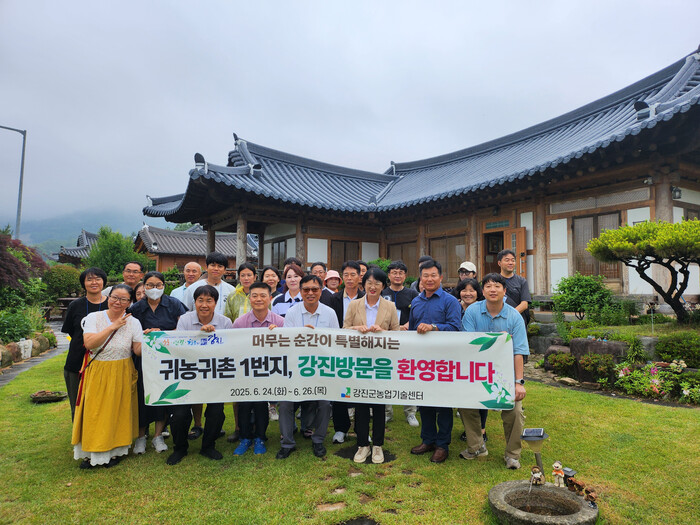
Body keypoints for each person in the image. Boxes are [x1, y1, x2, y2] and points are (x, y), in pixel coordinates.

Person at [460, 273, 528, 469]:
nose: (492, 290)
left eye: (497, 286)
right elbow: (469, 343)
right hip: (478, 371)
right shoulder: (472, 312)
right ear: (483, 291)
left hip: (505, 374)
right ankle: (476, 447)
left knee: (515, 411)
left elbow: (519, 351)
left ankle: (512, 454)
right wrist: (496, 338)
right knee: (465, 404)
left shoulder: (514, 316)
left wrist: (518, 383)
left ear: (504, 291)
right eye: (488, 286)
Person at [72, 284, 142, 469]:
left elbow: (137, 350)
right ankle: (92, 453)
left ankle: (114, 452)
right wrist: (113, 327)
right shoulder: (93, 318)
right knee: (95, 412)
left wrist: (152, 340)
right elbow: (89, 343)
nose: (118, 302)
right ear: (108, 297)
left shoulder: (134, 322)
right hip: (98, 370)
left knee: (117, 412)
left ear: (130, 302)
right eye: (114, 297)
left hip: (122, 370)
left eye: (124, 299)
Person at [167, 285, 232, 465]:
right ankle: (180, 448)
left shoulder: (225, 322)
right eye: (200, 300)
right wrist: (199, 335)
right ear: (194, 302)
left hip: (214, 374)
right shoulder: (185, 320)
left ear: (215, 303)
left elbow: (230, 349)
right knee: (179, 414)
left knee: (216, 412)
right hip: (188, 373)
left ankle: (208, 446)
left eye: (209, 300)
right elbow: (179, 346)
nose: (204, 305)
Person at [275, 275, 338, 460]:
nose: (310, 293)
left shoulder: (330, 313)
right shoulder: (292, 312)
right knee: (285, 404)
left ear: (321, 291)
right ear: (301, 291)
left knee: (325, 404)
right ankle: (287, 443)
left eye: (314, 289)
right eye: (306, 290)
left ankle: (318, 440)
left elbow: (336, 342)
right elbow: (287, 342)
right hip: (296, 368)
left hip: (321, 369)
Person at [408, 259, 462, 463]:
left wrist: (434, 327)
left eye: (433, 275)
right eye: (425, 276)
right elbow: (412, 331)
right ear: (420, 278)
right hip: (422, 361)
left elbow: (455, 328)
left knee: (444, 404)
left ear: (441, 277)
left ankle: (442, 444)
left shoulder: (450, 301)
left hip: (444, 360)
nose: (429, 279)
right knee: (424, 401)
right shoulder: (416, 301)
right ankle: (427, 440)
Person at [128, 271, 188, 454]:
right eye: (150, 285)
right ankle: (141, 436)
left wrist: (161, 334)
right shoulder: (136, 308)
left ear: (163, 286)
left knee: (163, 394)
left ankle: (158, 435)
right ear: (144, 286)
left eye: (158, 285)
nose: (154, 289)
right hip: (143, 358)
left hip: (167, 358)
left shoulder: (174, 304)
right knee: (142, 395)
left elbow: (183, 328)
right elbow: (130, 331)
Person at [344, 267, 399, 464]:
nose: (373, 287)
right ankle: (362, 445)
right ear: (364, 284)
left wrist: (382, 332)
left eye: (377, 283)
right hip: (359, 361)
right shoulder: (354, 305)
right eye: (369, 283)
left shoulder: (390, 307)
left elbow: (396, 333)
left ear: (383, 286)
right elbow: (344, 329)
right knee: (360, 404)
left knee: (378, 405)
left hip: (380, 362)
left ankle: (377, 445)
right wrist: (356, 329)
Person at [231, 282, 285, 456]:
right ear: (249, 299)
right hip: (246, 371)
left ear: (270, 299)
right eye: (254, 296)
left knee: (261, 404)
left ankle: (260, 437)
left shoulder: (280, 322)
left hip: (269, 372)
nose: (258, 299)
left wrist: (278, 335)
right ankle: (245, 438)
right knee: (245, 404)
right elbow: (232, 348)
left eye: (263, 295)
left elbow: (288, 348)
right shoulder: (240, 323)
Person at [62, 267, 109, 420]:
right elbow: (71, 331)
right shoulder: (75, 305)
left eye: (97, 279)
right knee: (77, 403)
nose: (94, 282)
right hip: (77, 361)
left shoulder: (112, 304)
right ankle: (78, 433)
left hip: (105, 362)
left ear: (103, 282)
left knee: (102, 403)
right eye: (89, 279)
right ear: (83, 283)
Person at [328, 261, 365, 443]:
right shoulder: (332, 299)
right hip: (339, 348)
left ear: (360, 277)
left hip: (362, 349)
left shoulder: (367, 298)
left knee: (361, 388)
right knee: (339, 388)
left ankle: (361, 428)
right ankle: (341, 428)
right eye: (346, 275)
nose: (349, 278)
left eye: (353, 274)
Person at [380, 260, 419, 426]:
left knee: (407, 374)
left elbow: (417, 313)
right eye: (394, 273)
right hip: (387, 339)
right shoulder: (382, 293)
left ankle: (410, 412)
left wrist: (406, 326)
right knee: (386, 373)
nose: (397, 276)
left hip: (407, 338)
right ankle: (386, 412)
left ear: (405, 276)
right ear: (389, 275)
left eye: (400, 273)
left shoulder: (412, 294)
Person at [222, 262, 258, 442]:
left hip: (258, 348)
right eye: (242, 275)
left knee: (257, 389)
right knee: (238, 389)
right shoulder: (232, 296)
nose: (246, 278)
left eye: (249, 275)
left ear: (255, 277)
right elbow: (227, 320)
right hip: (238, 347)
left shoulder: (260, 294)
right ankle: (238, 427)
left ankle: (256, 427)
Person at [452, 278, 489, 444]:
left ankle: (482, 429)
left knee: (481, 393)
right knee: (464, 395)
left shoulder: (483, 309)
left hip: (479, 357)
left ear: (478, 293)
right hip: (459, 357)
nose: (468, 294)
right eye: (464, 290)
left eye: (472, 290)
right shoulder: (454, 307)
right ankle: (469, 429)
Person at [497, 249, 532, 325]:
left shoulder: (522, 281)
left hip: (518, 320)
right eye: (507, 260)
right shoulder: (494, 281)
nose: (510, 263)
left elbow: (524, 304)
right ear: (499, 263)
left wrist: (509, 316)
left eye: (513, 260)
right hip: (498, 320)